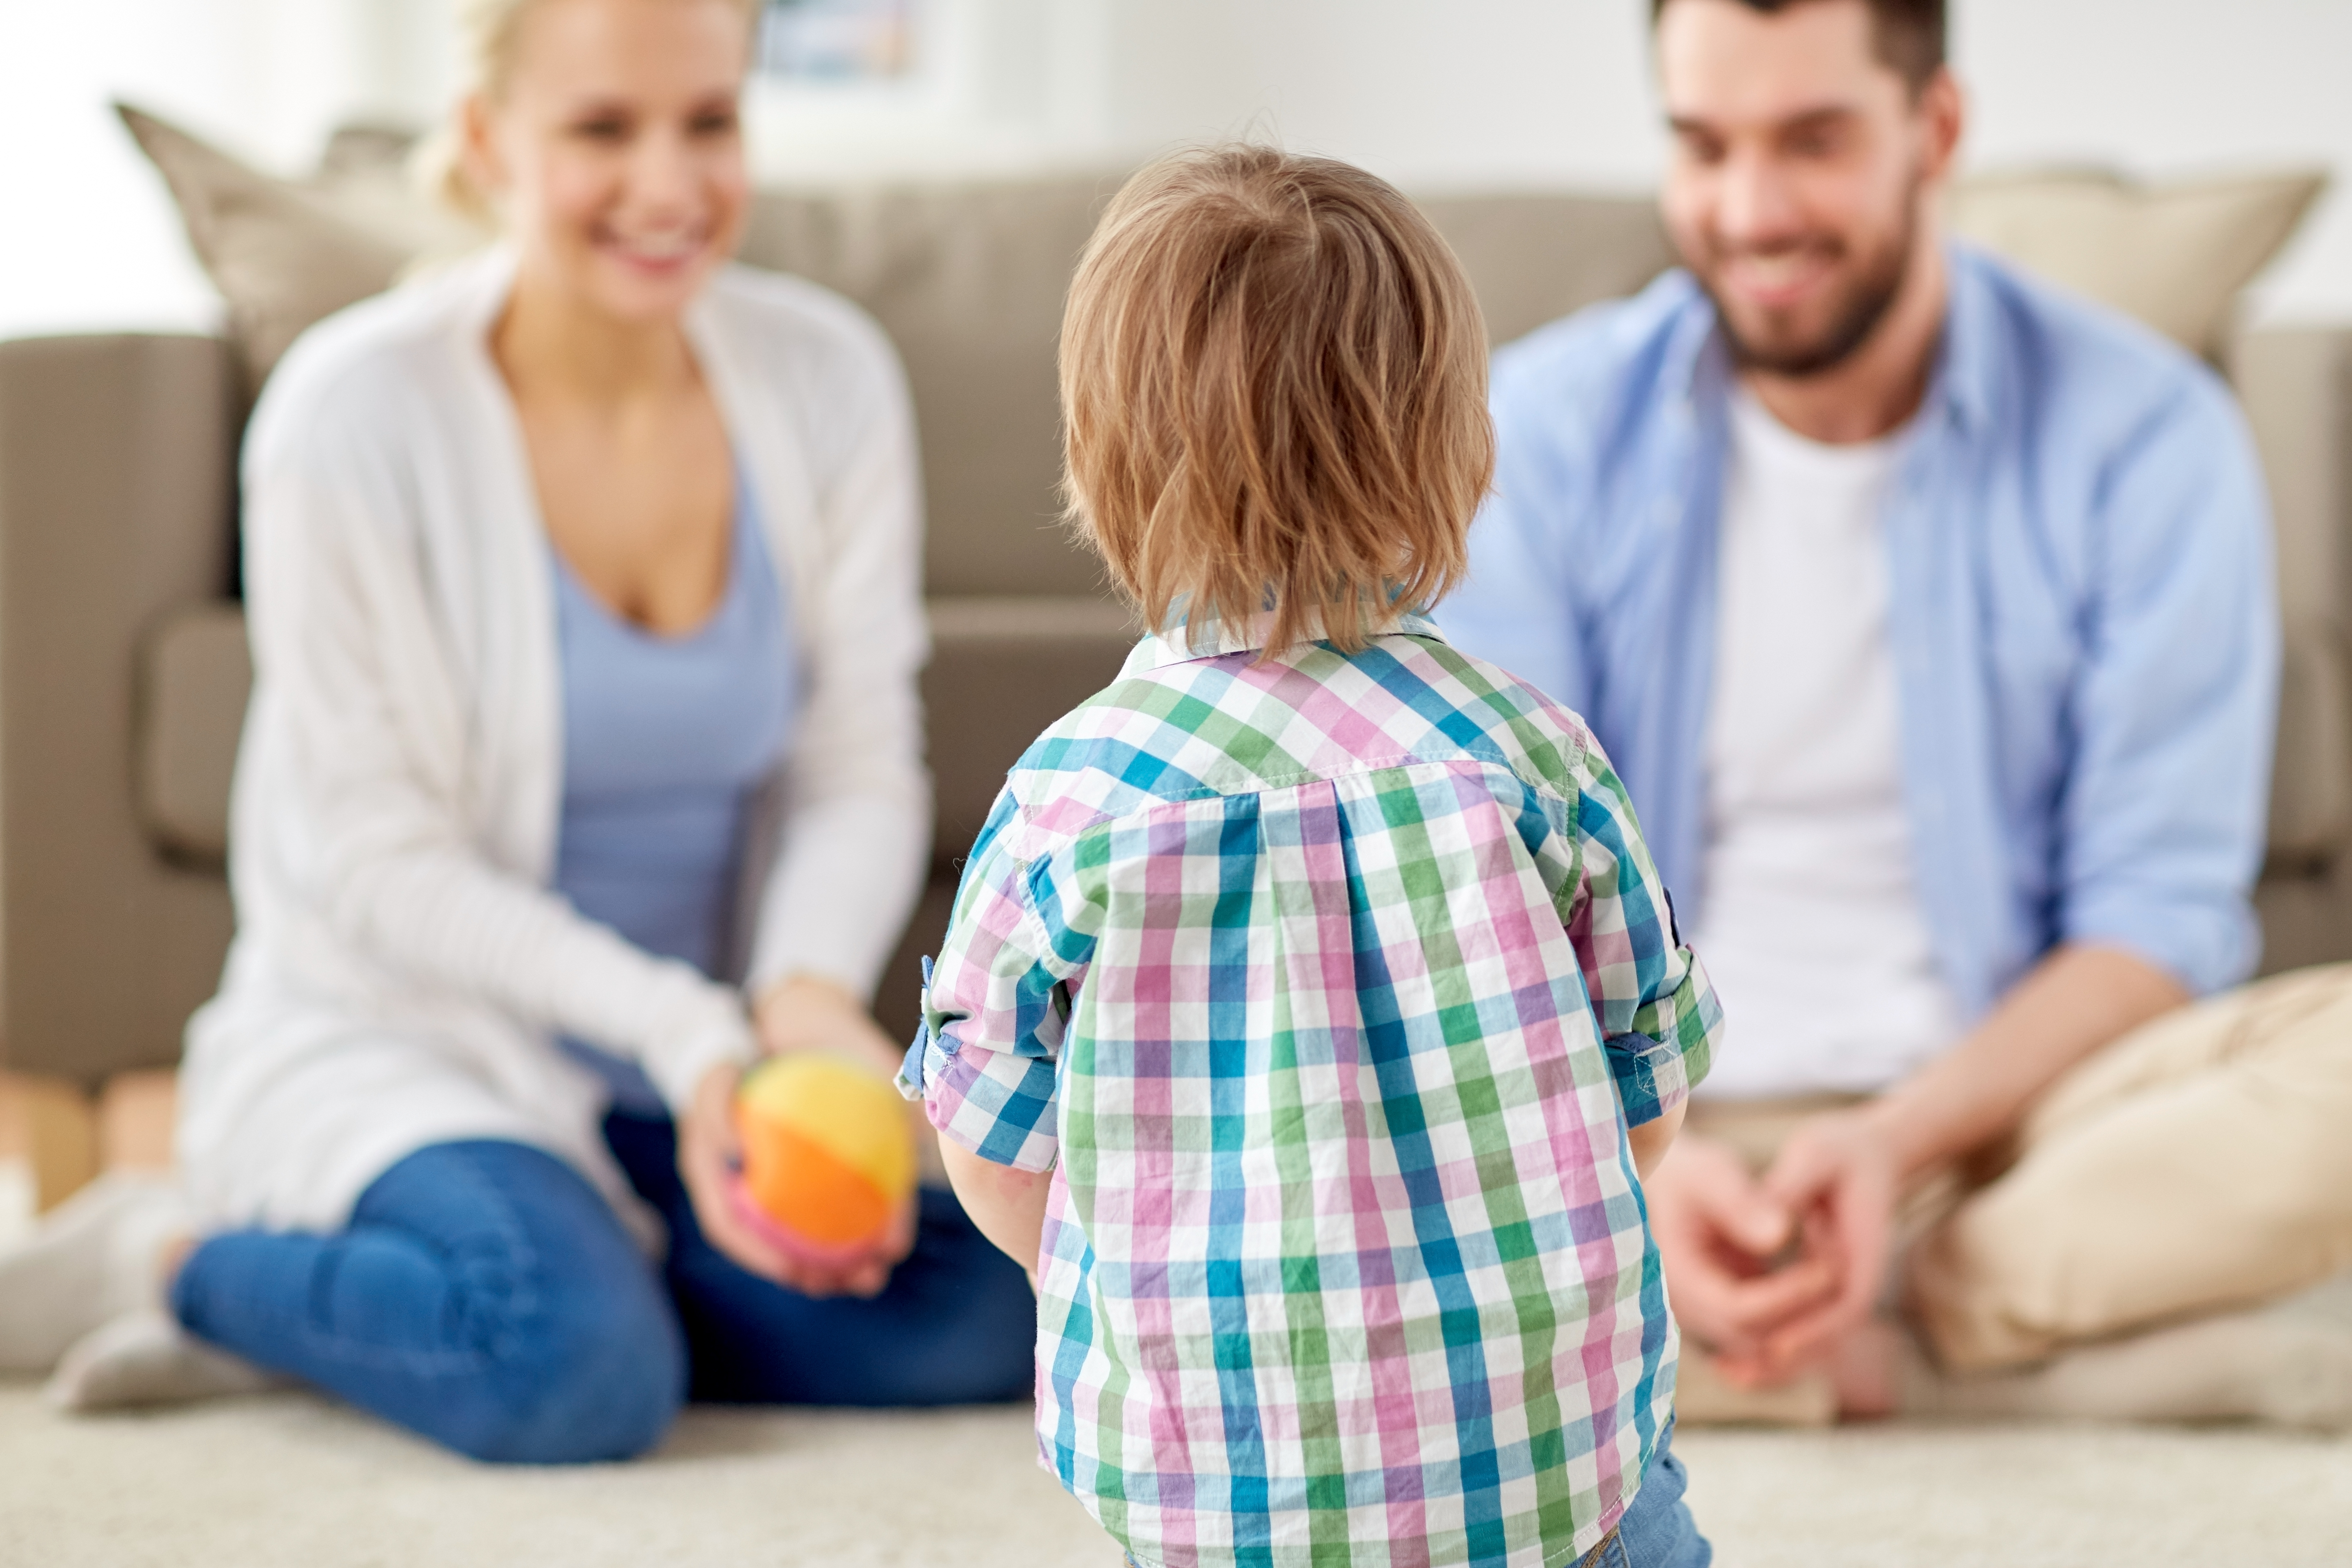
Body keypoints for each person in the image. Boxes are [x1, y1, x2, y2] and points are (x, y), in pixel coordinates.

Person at [0, 0, 1033, 1457]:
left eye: (709, 122)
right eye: (604, 129)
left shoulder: (828, 378)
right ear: (487, 141)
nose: (669, 186)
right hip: (420, 1037)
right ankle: (170, 1261)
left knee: (984, 1312)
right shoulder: (350, 413)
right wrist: (691, 1036)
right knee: (573, 1373)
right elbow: (375, 861)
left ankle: (421, 1303)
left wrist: (801, 991)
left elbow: (857, 764)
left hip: (711, 1069)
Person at [1445, 0, 2352, 1428]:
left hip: (2005, 1123)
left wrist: (1887, 1145)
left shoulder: (2147, 435)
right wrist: (1647, 1171)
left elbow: (2157, 917)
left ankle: (1800, 1339)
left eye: (1812, 142)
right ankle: (1982, 1350)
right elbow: (1484, 902)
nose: (1752, 211)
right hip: (1641, 1125)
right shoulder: (1540, 435)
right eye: (1705, 145)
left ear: (1935, 131)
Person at [903, 146, 1720, 1568]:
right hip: (1543, 1465)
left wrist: (1152, 1278)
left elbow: (988, 1144)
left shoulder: (1072, 800)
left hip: (1217, 1493)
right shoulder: (1533, 758)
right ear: (1458, 452)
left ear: (1100, 457)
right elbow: (1644, 1103)